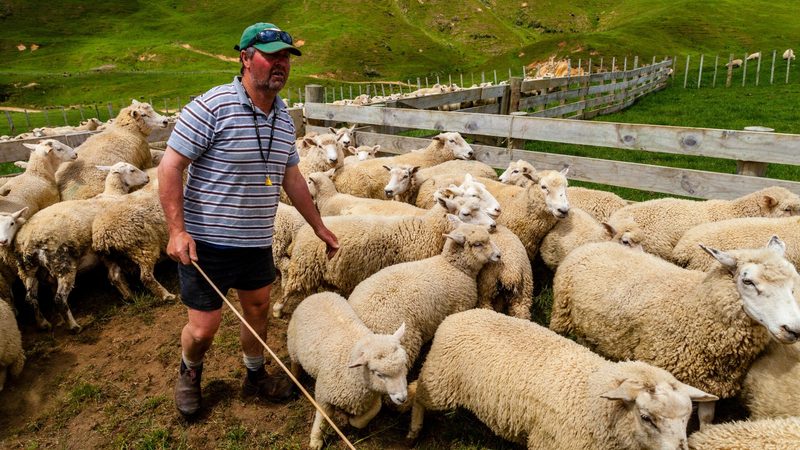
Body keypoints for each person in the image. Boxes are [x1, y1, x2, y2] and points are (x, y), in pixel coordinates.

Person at [158, 22, 339, 417]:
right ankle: (190, 370)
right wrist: (177, 230)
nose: (280, 64)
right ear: (245, 57)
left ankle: (254, 374)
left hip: (257, 240)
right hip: (206, 243)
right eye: (271, 55)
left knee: (258, 310)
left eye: (286, 57)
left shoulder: (282, 116)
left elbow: (291, 176)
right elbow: (170, 167)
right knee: (204, 329)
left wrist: (318, 226)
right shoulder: (211, 107)